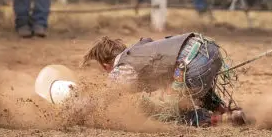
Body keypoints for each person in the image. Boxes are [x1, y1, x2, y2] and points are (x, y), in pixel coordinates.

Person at [81, 34, 245, 127]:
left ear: (105, 66)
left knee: (171, 109)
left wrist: (77, 110)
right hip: (210, 50)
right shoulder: (140, 50)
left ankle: (215, 119)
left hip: (192, 63)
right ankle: (225, 111)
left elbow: (105, 97)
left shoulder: (123, 67)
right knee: (187, 85)